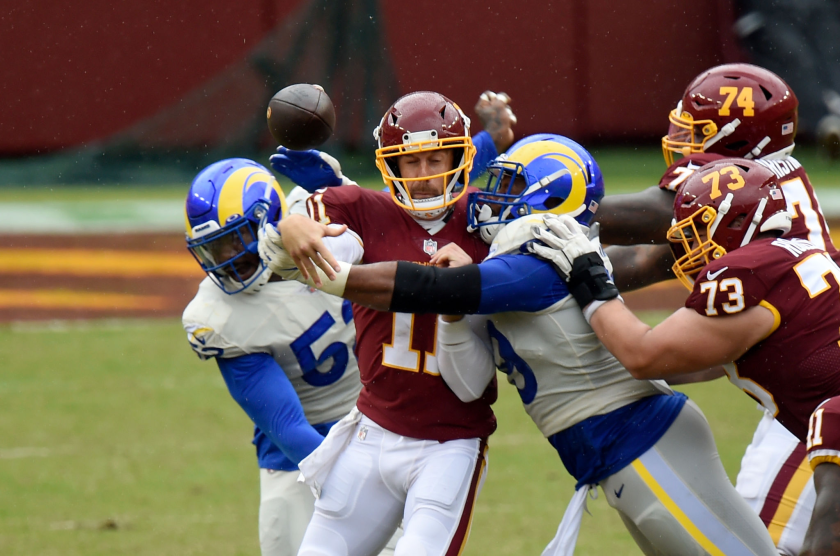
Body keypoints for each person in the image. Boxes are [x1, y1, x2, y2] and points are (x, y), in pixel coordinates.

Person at [260, 136, 779, 555]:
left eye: (510, 184)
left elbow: (435, 287)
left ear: (549, 196)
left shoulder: (536, 253)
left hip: (642, 442)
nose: (490, 197)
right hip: (619, 451)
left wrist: (330, 276)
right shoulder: (556, 254)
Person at [531, 158, 840, 556]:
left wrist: (587, 273)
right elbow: (699, 361)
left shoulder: (748, 271)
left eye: (698, 231)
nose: (689, 249)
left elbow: (643, 355)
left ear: (738, 222)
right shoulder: (796, 255)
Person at [261, 91, 514, 556]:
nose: (423, 177)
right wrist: (290, 225)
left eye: (436, 159)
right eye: (411, 163)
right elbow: (294, 245)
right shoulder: (361, 209)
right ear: (390, 167)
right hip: (371, 432)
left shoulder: (493, 222)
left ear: (459, 158)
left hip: (451, 442)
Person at [592, 63, 830, 554]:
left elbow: (640, 229)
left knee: (764, 544)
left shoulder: (743, 218)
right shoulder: (762, 200)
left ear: (741, 140)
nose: (679, 140)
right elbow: (643, 261)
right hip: (806, 383)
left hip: (819, 406)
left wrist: (540, 211)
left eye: (695, 131)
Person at [180, 158, 399, 556]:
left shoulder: (323, 225)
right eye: (212, 248)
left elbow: (416, 214)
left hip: (382, 425)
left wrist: (486, 146)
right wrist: (360, 488)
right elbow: (285, 424)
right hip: (296, 461)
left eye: (234, 238)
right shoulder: (218, 315)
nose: (226, 258)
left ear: (269, 219)